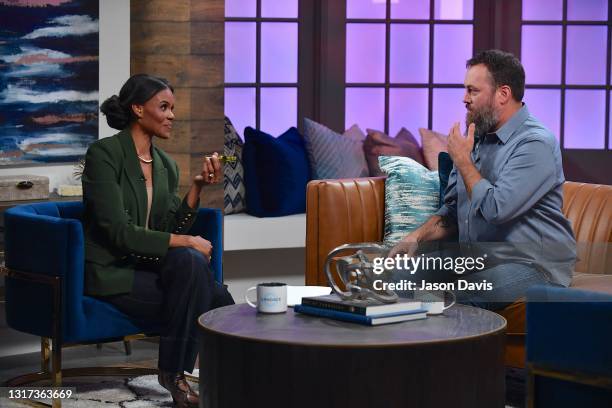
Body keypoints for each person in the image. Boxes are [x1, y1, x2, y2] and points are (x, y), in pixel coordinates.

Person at [82, 74, 234, 407]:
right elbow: (118, 232)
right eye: (163, 107)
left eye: (172, 108)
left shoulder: (164, 164)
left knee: (192, 266)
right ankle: (177, 375)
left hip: (149, 269)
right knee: (215, 296)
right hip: (113, 273)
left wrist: (196, 188)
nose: (172, 115)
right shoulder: (103, 155)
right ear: (138, 108)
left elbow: (164, 226)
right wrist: (188, 241)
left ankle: (189, 376)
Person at [389, 50, 576, 310]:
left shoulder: (535, 144)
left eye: (472, 91)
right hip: (482, 259)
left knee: (460, 296)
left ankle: (438, 334)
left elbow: (496, 210)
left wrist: (463, 161)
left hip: (533, 263)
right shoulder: (477, 137)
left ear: (503, 94)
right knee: (399, 279)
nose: (464, 99)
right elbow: (453, 211)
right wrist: (416, 237)